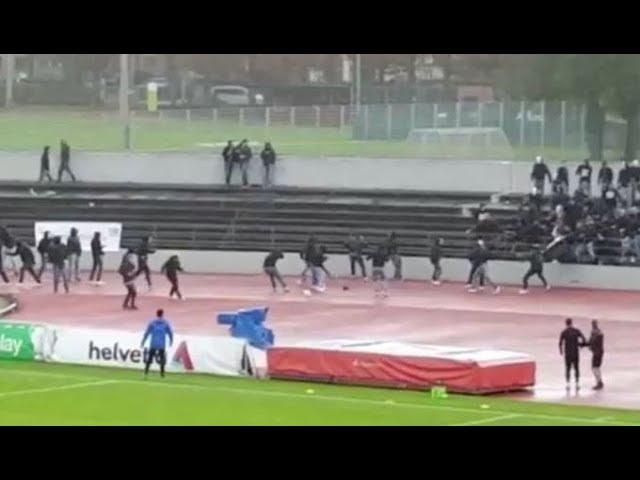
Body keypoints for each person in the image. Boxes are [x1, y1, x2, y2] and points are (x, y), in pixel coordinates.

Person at [141, 309, 174, 378]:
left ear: (156, 314)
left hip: (153, 343)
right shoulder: (165, 322)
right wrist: (171, 341)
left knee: (150, 358)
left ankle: (145, 373)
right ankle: (162, 374)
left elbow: (147, 333)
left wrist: (143, 341)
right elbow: (170, 333)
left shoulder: (152, 322)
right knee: (162, 359)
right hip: (161, 344)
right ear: (162, 314)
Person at [559, 318, 587, 390]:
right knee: (576, 368)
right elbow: (584, 339)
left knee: (567, 368)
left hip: (568, 353)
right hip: (575, 353)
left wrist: (561, 351)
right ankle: (577, 383)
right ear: (571, 323)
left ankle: (568, 384)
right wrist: (581, 345)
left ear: (566, 324)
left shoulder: (564, 332)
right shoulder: (576, 331)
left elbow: (560, 343)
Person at [586, 320, 604, 390]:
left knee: (594, 368)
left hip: (597, 353)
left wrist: (584, 344)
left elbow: (591, 342)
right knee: (596, 367)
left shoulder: (595, 333)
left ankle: (599, 383)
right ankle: (600, 382)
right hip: (599, 352)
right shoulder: (599, 332)